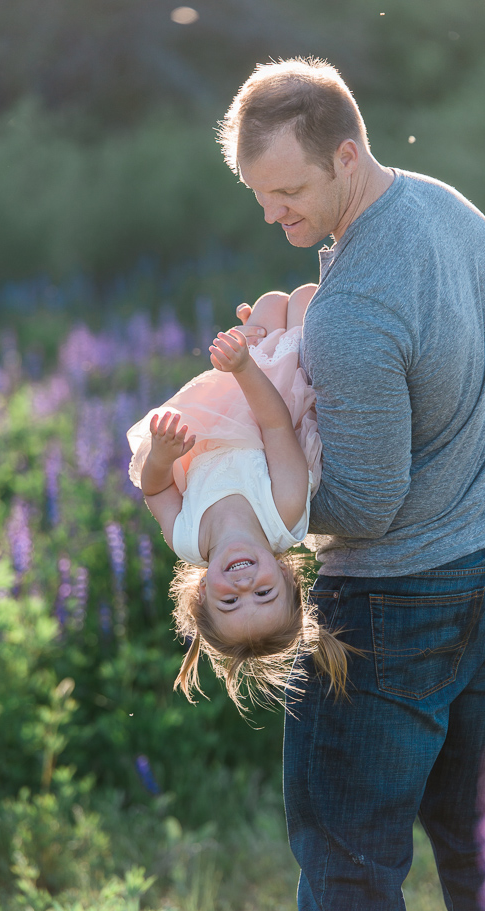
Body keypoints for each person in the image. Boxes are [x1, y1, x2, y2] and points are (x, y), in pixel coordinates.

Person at [218, 57, 485, 911]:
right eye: (258, 195)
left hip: (398, 604)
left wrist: (238, 489)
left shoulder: (354, 310)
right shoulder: (453, 212)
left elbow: (364, 504)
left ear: (346, 154)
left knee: (350, 870)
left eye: (288, 191)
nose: (272, 215)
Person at [127, 283, 349, 710]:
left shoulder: (187, 539)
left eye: (229, 601)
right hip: (278, 396)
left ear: (202, 595)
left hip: (229, 399)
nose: (245, 585)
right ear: (286, 578)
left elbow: (155, 487)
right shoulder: (282, 514)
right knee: (305, 299)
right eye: (264, 594)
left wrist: (162, 455)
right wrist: (246, 368)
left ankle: (261, 332)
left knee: (268, 307)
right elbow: (277, 428)